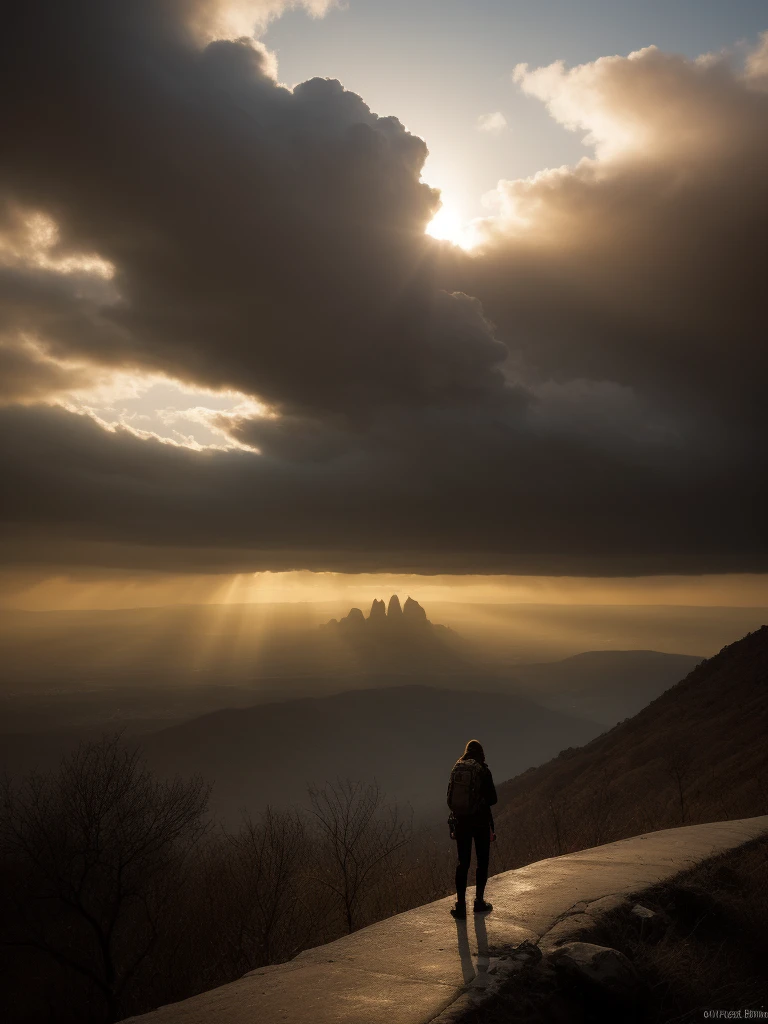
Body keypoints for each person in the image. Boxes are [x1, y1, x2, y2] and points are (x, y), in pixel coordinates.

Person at [446, 739, 497, 919]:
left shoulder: (457, 768)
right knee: (482, 862)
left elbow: (449, 798)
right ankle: (479, 902)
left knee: (463, 863)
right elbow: (493, 799)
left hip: (461, 822)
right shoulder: (483, 770)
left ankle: (460, 906)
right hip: (480, 822)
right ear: (481, 753)